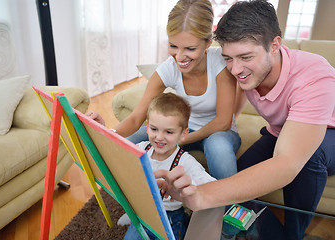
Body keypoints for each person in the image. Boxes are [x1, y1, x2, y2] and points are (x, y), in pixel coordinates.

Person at [154, 1, 335, 240]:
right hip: (280, 129)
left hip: (328, 133)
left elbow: (287, 163)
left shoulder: (314, 75)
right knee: (241, 177)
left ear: (275, 45)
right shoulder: (246, 69)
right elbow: (235, 101)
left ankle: (293, 234)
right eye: (228, 58)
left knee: (306, 159)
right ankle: (258, 230)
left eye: (245, 57)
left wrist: (203, 194)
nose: (235, 69)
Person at [89, 0, 241, 180]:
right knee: (126, 145)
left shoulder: (220, 63)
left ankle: (231, 206)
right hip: (181, 129)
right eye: (173, 46)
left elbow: (222, 122)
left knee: (218, 148)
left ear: (208, 43)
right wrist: (106, 134)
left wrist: (181, 139)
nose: (180, 57)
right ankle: (143, 196)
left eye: (190, 49)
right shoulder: (168, 69)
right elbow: (137, 118)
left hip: (218, 133)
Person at [123, 92, 216, 240]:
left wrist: (189, 187)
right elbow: (116, 157)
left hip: (171, 218)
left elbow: (212, 185)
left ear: (183, 134)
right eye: (154, 129)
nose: (159, 137)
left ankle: (185, 220)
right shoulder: (140, 149)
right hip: (143, 215)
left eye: (168, 132)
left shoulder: (185, 162)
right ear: (147, 127)